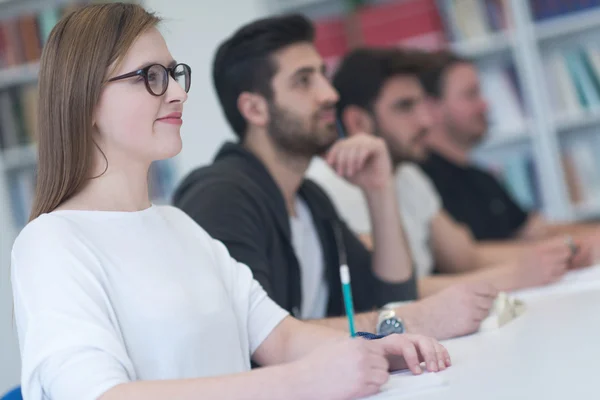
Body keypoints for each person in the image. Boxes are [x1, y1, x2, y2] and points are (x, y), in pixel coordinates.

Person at [10, 4, 450, 400]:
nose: (179, 93)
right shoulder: (51, 243)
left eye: (173, 73)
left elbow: (281, 338)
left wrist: (378, 348)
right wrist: (301, 382)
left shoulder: (180, 227)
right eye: (151, 77)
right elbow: (102, 395)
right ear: (86, 100)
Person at [173, 13, 498, 341]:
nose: (329, 94)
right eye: (304, 81)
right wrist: (409, 320)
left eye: (323, 76)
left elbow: (391, 297)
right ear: (255, 109)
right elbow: (255, 338)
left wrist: (379, 190)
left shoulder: (310, 199)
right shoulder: (221, 196)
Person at [308, 47, 576, 297]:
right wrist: (514, 276)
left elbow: (465, 256)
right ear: (358, 121)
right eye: (404, 107)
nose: (425, 121)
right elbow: (392, 291)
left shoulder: (408, 174)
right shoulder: (330, 187)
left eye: (421, 105)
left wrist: (562, 252)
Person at [418, 50, 600, 256]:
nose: (485, 104)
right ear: (432, 107)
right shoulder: (422, 181)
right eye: (471, 94)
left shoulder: (481, 177)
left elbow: (535, 230)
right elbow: (465, 256)